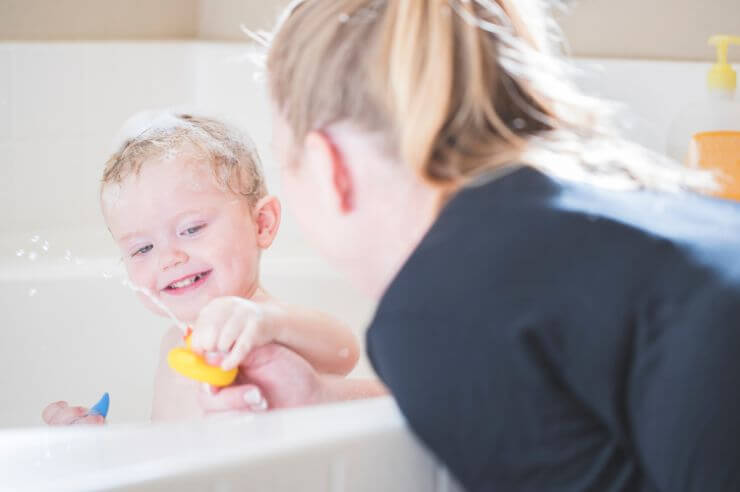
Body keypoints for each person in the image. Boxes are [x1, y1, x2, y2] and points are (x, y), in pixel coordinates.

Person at [250, 0, 740, 490]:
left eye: (282, 160)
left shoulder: (436, 305)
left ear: (328, 166)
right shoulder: (626, 206)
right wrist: (320, 396)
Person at [41, 112, 363, 425]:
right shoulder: (173, 341)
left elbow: (344, 350)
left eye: (192, 229)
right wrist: (95, 446)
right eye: (142, 248)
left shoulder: (261, 322)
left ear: (261, 224)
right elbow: (165, 448)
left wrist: (270, 323)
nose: (169, 258)